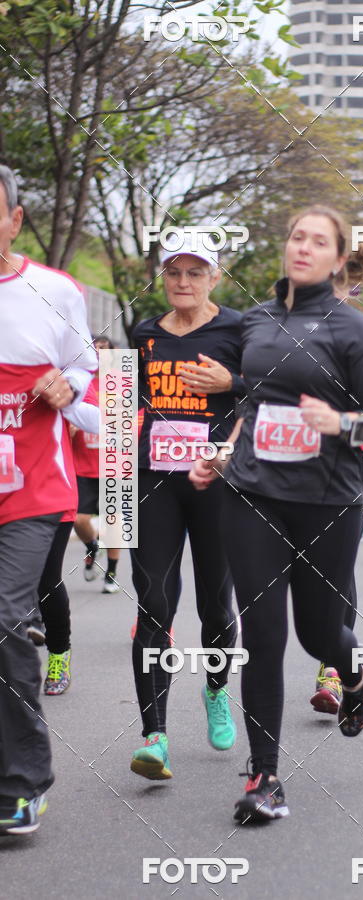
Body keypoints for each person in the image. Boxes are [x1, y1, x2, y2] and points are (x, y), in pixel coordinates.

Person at [190, 205, 363, 822]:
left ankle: (353, 676)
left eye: (318, 241)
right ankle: (265, 777)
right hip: (253, 493)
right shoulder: (256, 322)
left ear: (338, 259)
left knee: (317, 634)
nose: (303, 247)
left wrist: (339, 423)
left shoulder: (353, 329)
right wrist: (221, 457)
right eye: (296, 237)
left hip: (328, 502)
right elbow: (254, 406)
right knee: (265, 635)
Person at [0, 165, 96, 835]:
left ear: (14, 217)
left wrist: (70, 389)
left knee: (4, 619)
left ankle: (23, 780)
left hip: (32, 488)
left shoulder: (54, 292)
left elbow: (92, 378)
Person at [129, 233, 242, 780]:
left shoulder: (237, 330)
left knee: (215, 607)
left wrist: (231, 382)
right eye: (174, 271)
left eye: (195, 272)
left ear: (214, 278)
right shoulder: (144, 334)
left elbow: (269, 393)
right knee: (153, 602)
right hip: (155, 481)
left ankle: (216, 689)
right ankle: (155, 736)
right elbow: (121, 402)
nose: (183, 282)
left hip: (214, 483)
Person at [310, 242, 363, 714]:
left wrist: (339, 421)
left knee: (335, 568)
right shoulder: (286, 328)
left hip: (353, 464)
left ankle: (334, 671)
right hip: (297, 466)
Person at [38, 392, 100, 695]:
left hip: (52, 492)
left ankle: (58, 653)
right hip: (8, 490)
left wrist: (70, 409)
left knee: (45, 581)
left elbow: (104, 420)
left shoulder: (63, 374)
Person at [72, 336, 121, 592]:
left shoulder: (122, 384)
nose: (99, 353)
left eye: (104, 350)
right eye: (95, 349)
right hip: (82, 465)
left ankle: (111, 574)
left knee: (113, 521)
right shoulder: (78, 381)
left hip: (113, 465)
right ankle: (93, 545)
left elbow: (135, 419)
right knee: (78, 518)